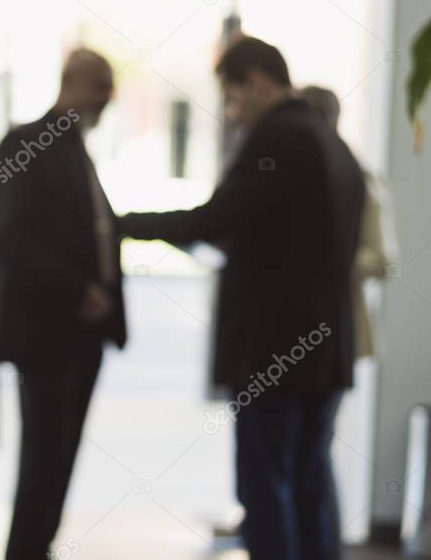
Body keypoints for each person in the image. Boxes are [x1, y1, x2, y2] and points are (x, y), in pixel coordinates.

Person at [118, 37, 365, 560]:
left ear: (254, 81)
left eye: (231, 100)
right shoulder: (331, 140)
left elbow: (216, 218)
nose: (232, 115)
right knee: (309, 485)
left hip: (276, 351)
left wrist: (123, 225)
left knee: (265, 487)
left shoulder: (279, 136)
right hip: (324, 352)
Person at [0, 47, 128, 560]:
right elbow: (9, 238)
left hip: (83, 336)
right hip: (46, 334)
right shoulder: (27, 142)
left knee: (60, 457)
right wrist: (79, 290)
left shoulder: (76, 147)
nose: (109, 96)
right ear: (70, 83)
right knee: (44, 457)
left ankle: (37, 547)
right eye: (100, 84)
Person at [300, 85, 396, 361]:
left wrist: (322, 263)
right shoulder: (283, 174)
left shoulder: (358, 178)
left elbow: (381, 260)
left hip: (334, 327)